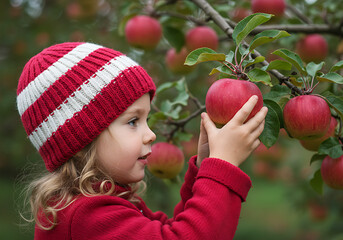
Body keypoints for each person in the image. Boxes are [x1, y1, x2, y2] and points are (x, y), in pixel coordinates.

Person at [17, 42, 268, 240]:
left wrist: (206, 168)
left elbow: (173, 232)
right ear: (82, 140)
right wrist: (222, 167)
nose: (151, 135)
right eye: (132, 121)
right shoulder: (86, 216)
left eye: (146, 119)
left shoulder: (104, 203)